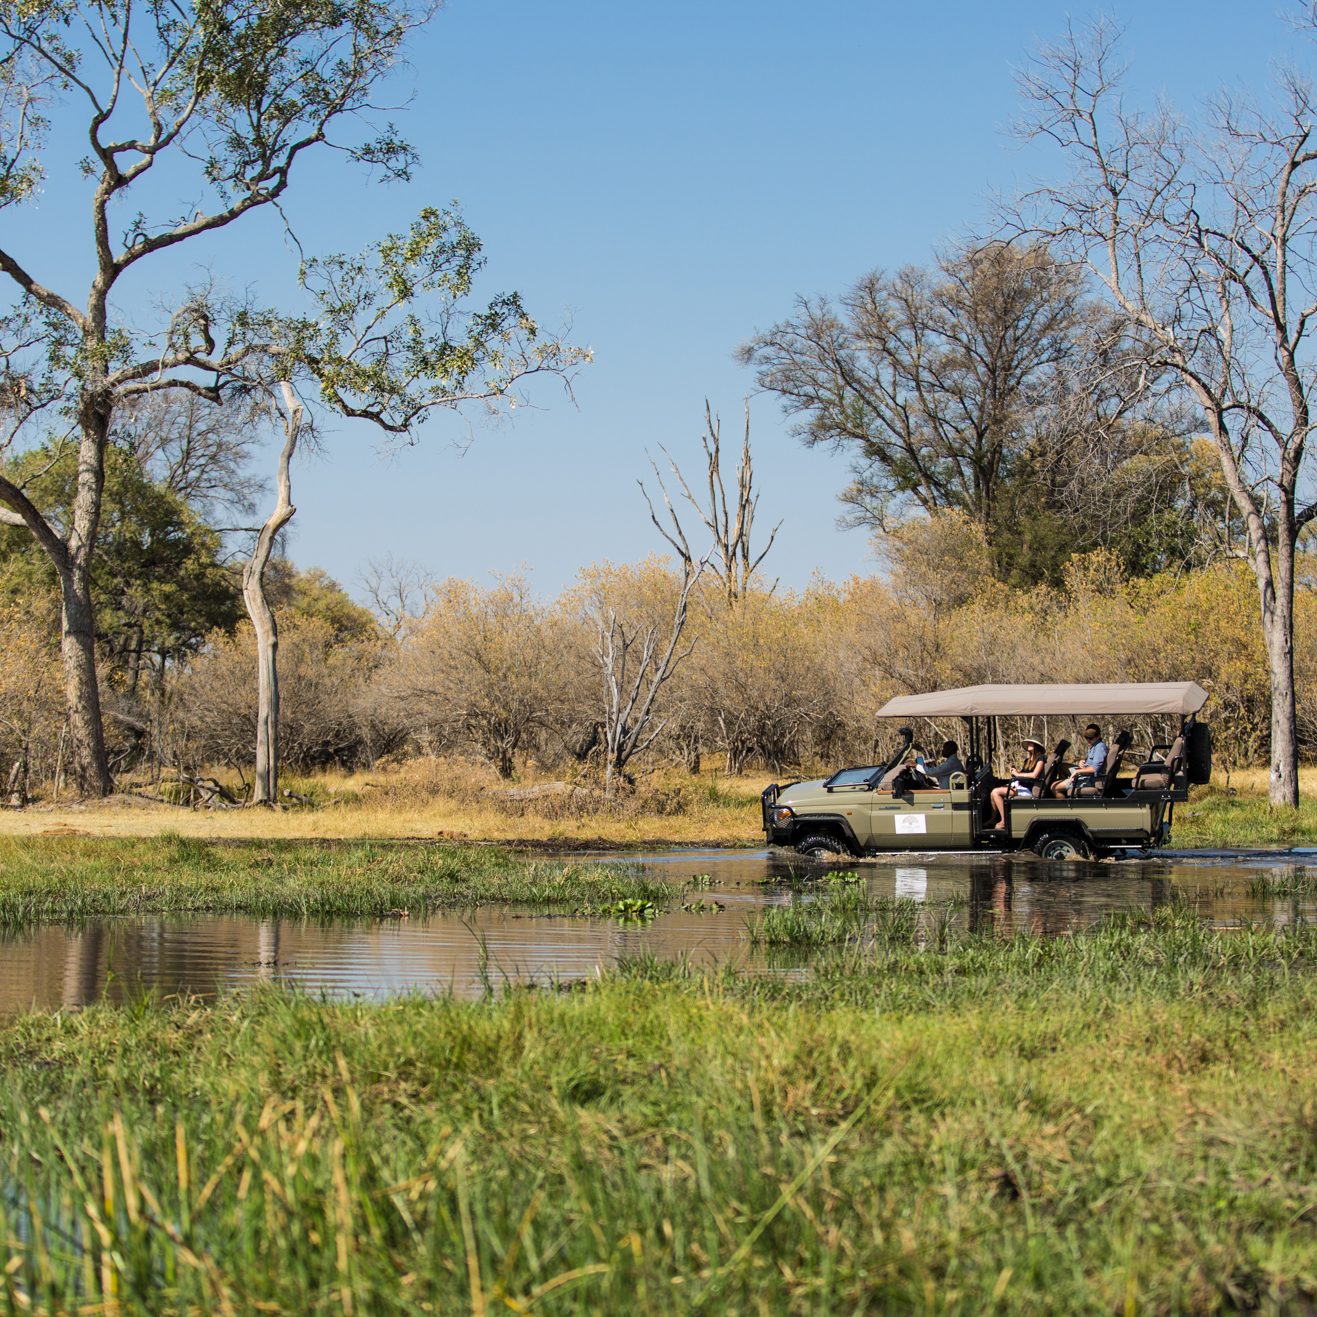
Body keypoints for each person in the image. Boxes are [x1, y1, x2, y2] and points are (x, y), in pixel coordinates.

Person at [987, 738, 1046, 830]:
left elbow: (1034, 775)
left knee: (996, 792)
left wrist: (1018, 774)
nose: (1029, 744)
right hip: (1019, 785)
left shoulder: (1041, 758)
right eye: (1029, 743)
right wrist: (1016, 772)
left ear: (1037, 746)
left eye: (1032, 743)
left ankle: (1004, 821)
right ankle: (994, 818)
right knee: (992, 792)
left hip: (1027, 788)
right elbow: (1023, 774)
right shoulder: (1028, 760)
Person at [1052, 724, 1108, 797]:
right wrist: (1082, 762)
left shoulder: (1100, 748)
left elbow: (1094, 769)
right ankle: (1066, 789)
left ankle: (1065, 804)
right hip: (1085, 774)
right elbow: (1091, 762)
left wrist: (1077, 771)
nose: (1088, 740)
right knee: (1062, 766)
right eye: (1086, 737)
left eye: (1090, 738)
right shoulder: (1094, 745)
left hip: (1089, 779)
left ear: (1098, 736)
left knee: (1054, 787)